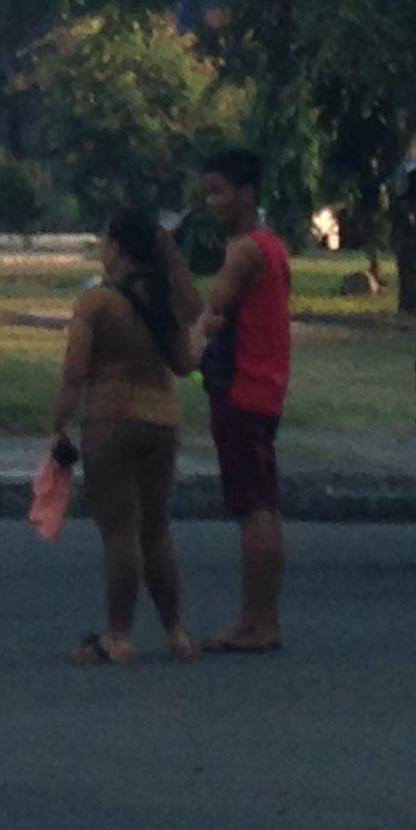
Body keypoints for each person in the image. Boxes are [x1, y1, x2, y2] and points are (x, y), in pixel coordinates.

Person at [48, 207, 201, 668]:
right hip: (161, 420)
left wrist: (57, 424)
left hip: (109, 421)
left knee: (120, 533)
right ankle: (177, 633)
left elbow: (74, 371)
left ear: (115, 247)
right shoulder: (161, 298)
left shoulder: (97, 302)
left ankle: (119, 636)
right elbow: (185, 364)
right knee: (157, 530)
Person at [178, 146, 292, 652]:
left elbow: (213, 310)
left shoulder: (245, 250)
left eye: (219, 191)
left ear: (245, 193)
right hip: (263, 387)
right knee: (261, 503)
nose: (212, 202)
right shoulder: (272, 246)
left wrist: (184, 351)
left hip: (241, 388)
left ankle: (255, 622)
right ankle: (261, 619)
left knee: (251, 508)